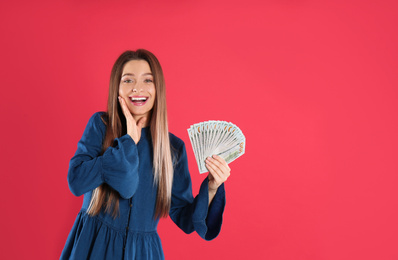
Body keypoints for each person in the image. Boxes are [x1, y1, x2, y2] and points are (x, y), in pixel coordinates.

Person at [60, 49, 231, 260]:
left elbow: (186, 219)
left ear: (158, 88)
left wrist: (212, 187)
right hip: (94, 246)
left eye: (147, 80)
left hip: (142, 253)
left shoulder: (172, 148)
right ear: (117, 88)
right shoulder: (100, 125)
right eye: (128, 80)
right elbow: (77, 181)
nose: (137, 88)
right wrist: (128, 141)